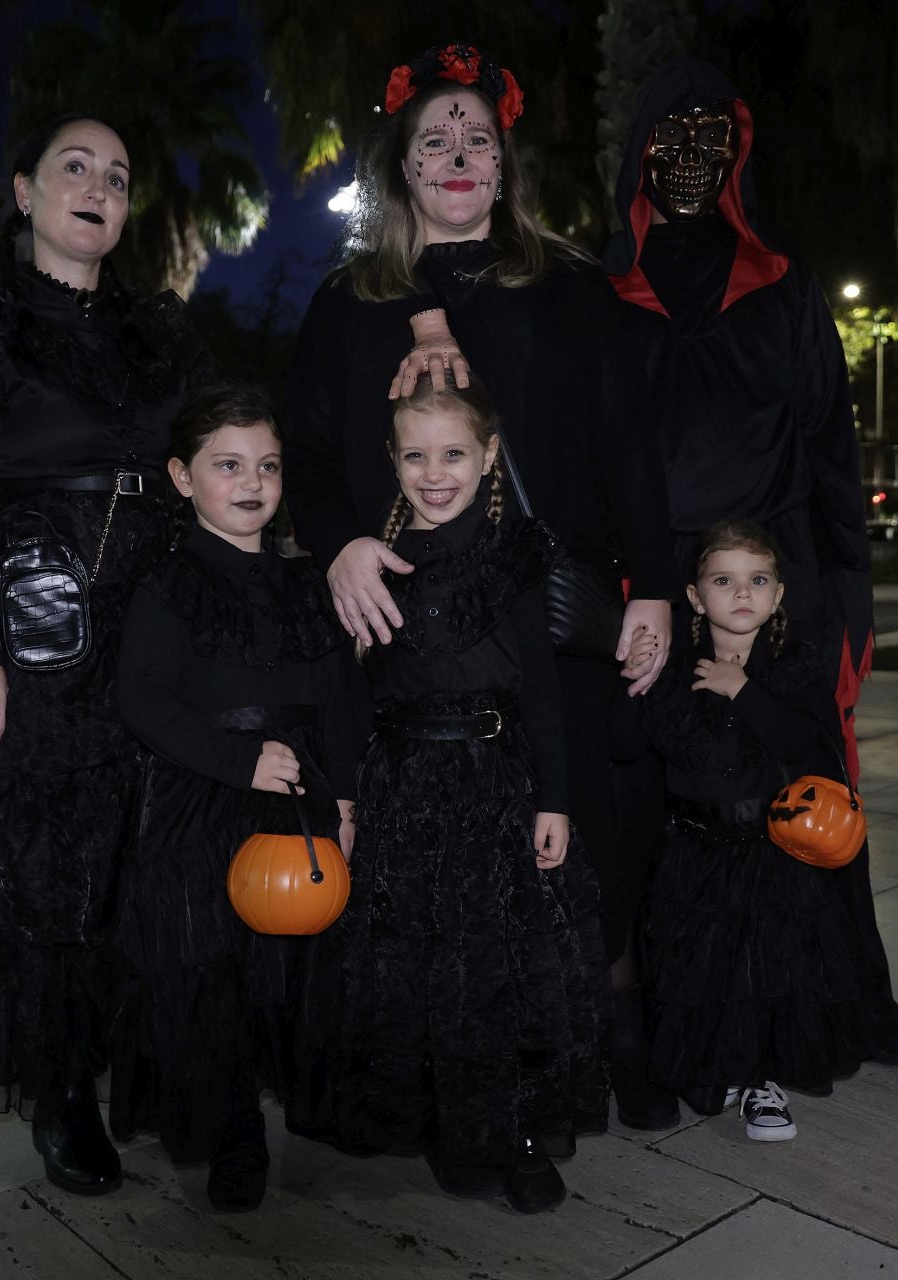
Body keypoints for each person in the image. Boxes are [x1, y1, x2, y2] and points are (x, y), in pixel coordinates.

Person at [281, 41, 681, 1132]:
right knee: (435, 865)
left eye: (476, 140)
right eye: (433, 141)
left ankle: (619, 1034)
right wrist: (340, 547)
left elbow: (628, 447)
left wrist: (653, 587)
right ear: (404, 169)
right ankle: (454, 1065)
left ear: (504, 168)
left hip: (550, 612)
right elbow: (309, 458)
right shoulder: (347, 304)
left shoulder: (575, 292)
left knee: (587, 830)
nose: (457, 155)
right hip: (410, 630)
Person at [0, 112, 201, 1198]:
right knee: (48, 871)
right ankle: (61, 1086)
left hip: (145, 621)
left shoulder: (155, 334)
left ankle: (139, 1067)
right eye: (76, 166)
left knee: (138, 858)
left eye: (117, 173)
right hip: (32, 626)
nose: (98, 185)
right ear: (24, 191)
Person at [594, 56, 898, 1066]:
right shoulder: (602, 295)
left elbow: (833, 445)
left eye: (714, 139)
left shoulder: (785, 290)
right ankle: (665, 1016)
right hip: (651, 581)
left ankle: (840, 1002)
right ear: (638, 153)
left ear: (739, 156)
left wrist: (852, 592)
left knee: (808, 787)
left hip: (783, 581)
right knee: (660, 804)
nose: (692, 159)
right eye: (671, 138)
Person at [285, 374, 606, 1215]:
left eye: (455, 453)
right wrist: (348, 802)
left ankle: (518, 1129)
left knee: (501, 963)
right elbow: (351, 699)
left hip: (499, 785)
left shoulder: (517, 556)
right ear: (392, 462)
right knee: (417, 963)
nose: (437, 472)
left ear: (489, 457)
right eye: (417, 455)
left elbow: (542, 688)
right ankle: (448, 1125)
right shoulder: (369, 567)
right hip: (401, 788)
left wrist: (556, 800)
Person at [109, 381, 367, 1213]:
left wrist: (349, 800)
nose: (252, 482)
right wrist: (234, 760)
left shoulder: (305, 584)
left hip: (299, 800)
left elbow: (338, 699)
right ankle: (232, 1133)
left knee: (295, 968)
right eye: (228, 465)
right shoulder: (167, 586)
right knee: (211, 978)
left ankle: (310, 1101)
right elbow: (144, 700)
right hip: (204, 801)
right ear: (184, 478)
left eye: (267, 465)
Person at [613, 521, 874, 1142]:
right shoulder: (674, 668)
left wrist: (743, 690)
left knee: (770, 970)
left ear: (779, 595)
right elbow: (626, 745)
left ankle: (764, 1080)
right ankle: (720, 1065)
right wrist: (634, 677)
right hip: (691, 853)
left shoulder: (792, 667)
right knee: (703, 970)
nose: (741, 594)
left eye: (757, 580)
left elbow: (807, 744)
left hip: (772, 852)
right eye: (723, 580)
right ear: (695, 597)